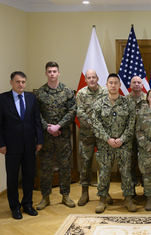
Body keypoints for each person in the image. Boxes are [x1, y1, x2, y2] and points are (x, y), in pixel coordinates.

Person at [0, 71, 44, 219]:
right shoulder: (3, 99)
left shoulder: (31, 97)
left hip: (30, 145)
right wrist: (1, 144)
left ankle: (27, 204)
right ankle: (15, 207)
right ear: (11, 82)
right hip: (11, 146)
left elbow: (36, 120)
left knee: (29, 176)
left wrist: (39, 140)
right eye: (18, 82)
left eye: (23, 82)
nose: (21, 85)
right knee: (12, 178)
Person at [92, 73, 137, 213]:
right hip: (105, 145)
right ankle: (102, 199)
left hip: (124, 144)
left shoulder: (128, 103)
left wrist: (122, 139)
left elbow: (132, 124)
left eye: (115, 83)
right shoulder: (99, 103)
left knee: (126, 172)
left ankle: (128, 199)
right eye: (110, 82)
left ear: (119, 85)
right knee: (104, 172)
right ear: (106, 85)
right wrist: (108, 139)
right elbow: (96, 123)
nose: (113, 85)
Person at [35, 61, 76, 210]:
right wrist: (48, 127)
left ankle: (65, 195)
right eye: (49, 71)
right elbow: (36, 114)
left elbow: (72, 111)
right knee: (45, 167)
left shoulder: (67, 91)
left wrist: (59, 126)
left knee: (65, 166)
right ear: (46, 73)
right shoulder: (39, 93)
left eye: (54, 71)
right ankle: (45, 197)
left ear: (59, 73)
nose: (52, 74)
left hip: (63, 136)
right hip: (45, 137)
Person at [76, 69, 111, 206]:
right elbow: (80, 113)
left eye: (93, 77)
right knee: (85, 162)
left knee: (104, 163)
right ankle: (85, 193)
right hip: (87, 134)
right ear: (85, 79)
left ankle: (104, 191)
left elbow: (108, 110)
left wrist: (100, 128)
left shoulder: (105, 92)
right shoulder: (81, 93)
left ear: (97, 78)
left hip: (103, 135)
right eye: (88, 77)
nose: (91, 79)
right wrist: (95, 126)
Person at [126, 76, 147, 190]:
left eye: (139, 82)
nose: (137, 84)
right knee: (130, 162)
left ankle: (146, 187)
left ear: (142, 85)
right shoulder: (125, 99)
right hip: (129, 137)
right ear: (130, 85)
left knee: (145, 162)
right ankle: (132, 187)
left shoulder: (148, 99)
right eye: (134, 82)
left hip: (144, 137)